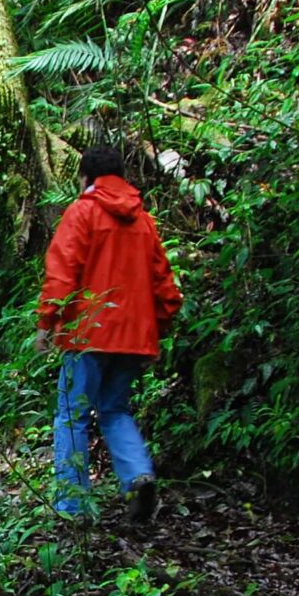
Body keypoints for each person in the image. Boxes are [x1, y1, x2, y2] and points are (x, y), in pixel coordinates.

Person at [38, 144, 182, 524]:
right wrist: (157, 330)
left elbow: (63, 269)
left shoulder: (82, 213)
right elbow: (165, 287)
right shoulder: (144, 222)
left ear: (86, 177)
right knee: (115, 409)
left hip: (88, 334)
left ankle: (73, 506)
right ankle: (137, 474)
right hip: (134, 338)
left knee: (71, 415)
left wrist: (47, 321)